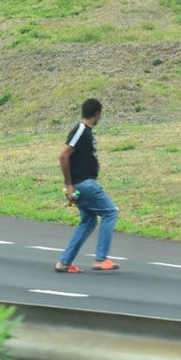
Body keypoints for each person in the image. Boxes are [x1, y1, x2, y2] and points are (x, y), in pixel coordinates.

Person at [56, 98, 120, 273]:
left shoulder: (87, 133)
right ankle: (101, 259)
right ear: (97, 114)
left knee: (89, 221)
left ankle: (65, 263)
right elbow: (63, 155)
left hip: (82, 184)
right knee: (110, 212)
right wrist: (69, 186)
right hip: (82, 184)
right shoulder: (81, 130)